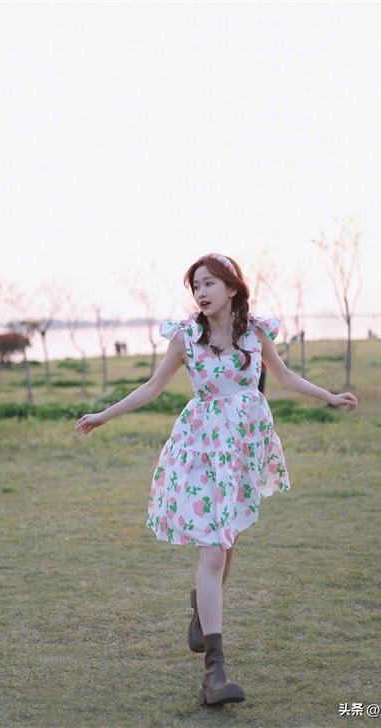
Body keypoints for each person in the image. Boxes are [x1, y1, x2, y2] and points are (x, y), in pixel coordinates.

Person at [76, 253, 357, 706]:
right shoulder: (186, 337)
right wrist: (103, 416)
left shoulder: (255, 332)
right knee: (213, 551)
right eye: (195, 286)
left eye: (209, 283)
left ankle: (201, 609)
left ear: (231, 287)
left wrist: (331, 397)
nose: (201, 292)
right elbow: (152, 387)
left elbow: (284, 376)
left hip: (244, 449)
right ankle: (215, 673)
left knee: (228, 543)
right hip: (202, 449)